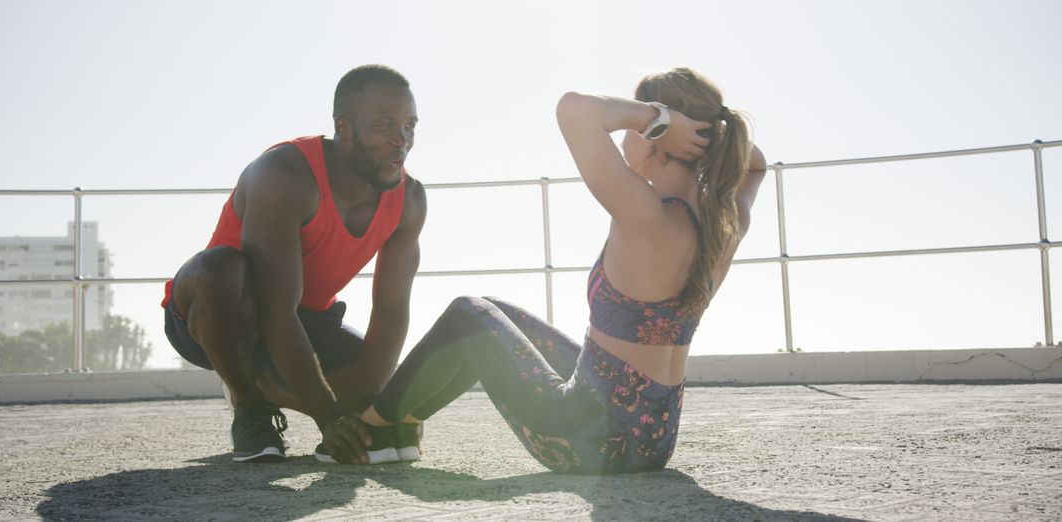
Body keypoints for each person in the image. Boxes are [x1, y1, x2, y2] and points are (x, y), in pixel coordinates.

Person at [353, 67, 767, 473]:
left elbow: (575, 109)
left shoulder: (647, 215)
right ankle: (402, 425)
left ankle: (370, 428)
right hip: (653, 442)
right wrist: (709, 133)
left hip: (587, 441)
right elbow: (756, 165)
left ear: (656, 137)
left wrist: (660, 118)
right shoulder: (725, 223)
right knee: (494, 310)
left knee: (467, 313)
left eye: (635, 126)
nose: (625, 136)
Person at [160, 64, 427, 465]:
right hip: (222, 312)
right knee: (220, 268)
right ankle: (249, 405)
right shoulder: (284, 174)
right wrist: (328, 417)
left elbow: (391, 312)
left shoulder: (409, 199)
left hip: (307, 318)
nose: (400, 140)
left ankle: (265, 385)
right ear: (345, 127)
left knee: (371, 381)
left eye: (409, 125)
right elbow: (275, 309)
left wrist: (374, 405)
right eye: (385, 124)